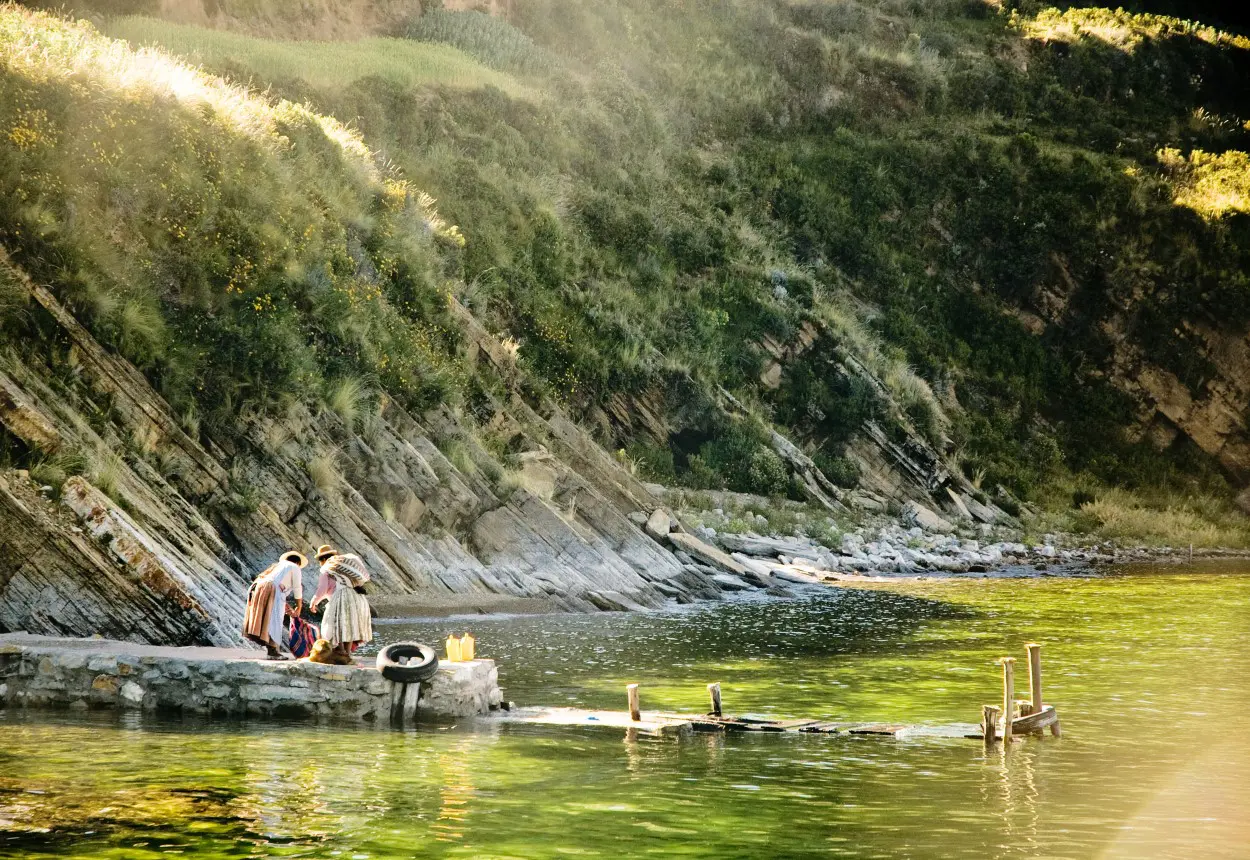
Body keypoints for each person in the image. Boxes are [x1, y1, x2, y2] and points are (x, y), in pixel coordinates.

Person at [309, 544, 373, 662]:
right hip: (356, 598)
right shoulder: (343, 568)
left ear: (323, 559)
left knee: (336, 624)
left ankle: (341, 650)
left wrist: (314, 601)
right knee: (349, 625)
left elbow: (322, 589)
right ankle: (347, 653)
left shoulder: (327, 569)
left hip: (341, 598)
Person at [242, 551, 306, 659]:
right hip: (271, 588)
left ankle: (271, 650)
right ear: (298, 563)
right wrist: (299, 606)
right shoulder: (295, 567)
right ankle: (272, 652)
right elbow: (297, 588)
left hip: (259, 587)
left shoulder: (277, 566)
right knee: (275, 619)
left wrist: (286, 606)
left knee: (267, 618)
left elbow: (278, 587)